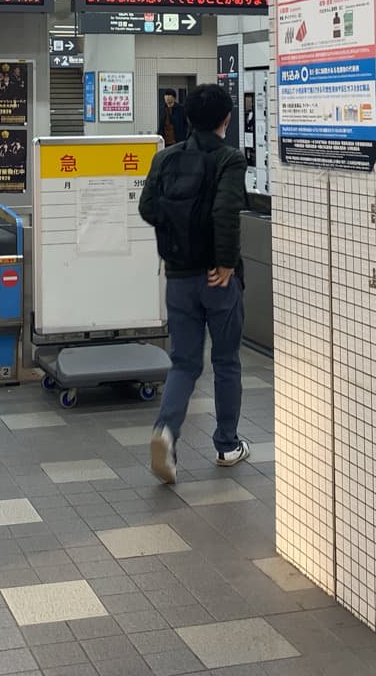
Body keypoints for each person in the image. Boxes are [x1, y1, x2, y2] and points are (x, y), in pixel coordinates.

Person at [138, 83, 249, 484]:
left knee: (184, 362)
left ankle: (166, 432)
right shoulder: (229, 159)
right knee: (226, 361)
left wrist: (178, 235)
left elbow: (148, 208)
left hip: (178, 276)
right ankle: (227, 444)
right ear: (226, 119)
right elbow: (227, 212)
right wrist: (223, 263)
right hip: (217, 281)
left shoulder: (165, 157)